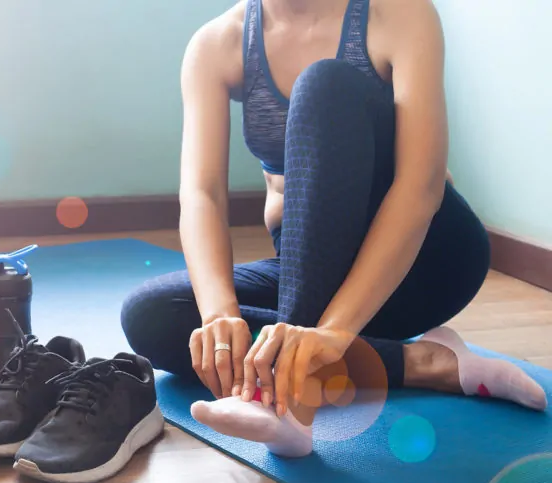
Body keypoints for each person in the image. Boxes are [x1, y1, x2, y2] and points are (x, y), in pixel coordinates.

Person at [120, 0, 548, 456]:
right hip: (316, 274)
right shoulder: (218, 43)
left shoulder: (399, 14)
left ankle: (288, 399)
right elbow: (202, 194)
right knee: (154, 314)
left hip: (428, 262)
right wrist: (219, 314)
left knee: (324, 83)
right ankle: (423, 362)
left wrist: (337, 330)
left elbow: (420, 188)